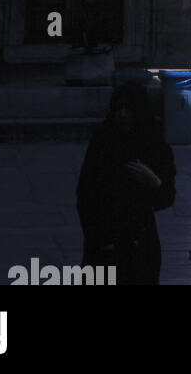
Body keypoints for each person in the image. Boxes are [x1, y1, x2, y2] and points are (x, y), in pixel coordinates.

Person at [77, 80, 176, 285]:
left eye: (129, 109)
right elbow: (84, 194)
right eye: (118, 108)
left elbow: (167, 198)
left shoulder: (154, 144)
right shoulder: (103, 140)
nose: (122, 114)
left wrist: (154, 181)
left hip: (140, 238)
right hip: (104, 240)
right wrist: (99, 237)